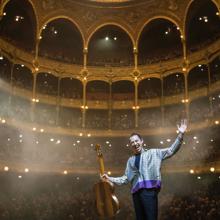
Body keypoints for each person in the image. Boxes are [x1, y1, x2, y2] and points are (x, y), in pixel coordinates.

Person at [101, 119, 187, 220]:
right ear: (130, 145)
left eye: (136, 140)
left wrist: (181, 134)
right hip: (136, 193)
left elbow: (171, 151)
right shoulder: (130, 161)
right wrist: (109, 178)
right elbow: (125, 179)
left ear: (142, 141)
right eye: (132, 142)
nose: (135, 143)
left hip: (149, 191)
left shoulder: (154, 153)